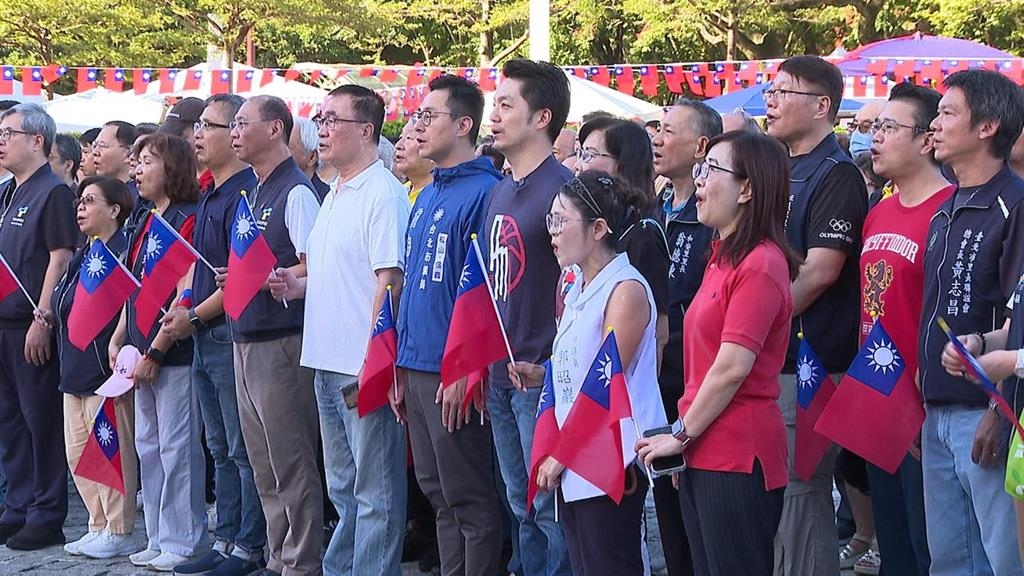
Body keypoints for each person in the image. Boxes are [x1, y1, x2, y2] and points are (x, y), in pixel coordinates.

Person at [638, 130, 799, 576]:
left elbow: (731, 368)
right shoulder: (722, 255)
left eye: (711, 170)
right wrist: (684, 439)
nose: (700, 182)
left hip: (737, 453)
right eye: (700, 170)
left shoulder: (761, 262)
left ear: (747, 188)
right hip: (703, 447)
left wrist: (681, 434)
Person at [270, 84, 411, 576]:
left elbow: (388, 283)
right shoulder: (333, 194)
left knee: (375, 493)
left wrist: (377, 362)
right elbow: (336, 275)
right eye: (321, 119)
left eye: (333, 120)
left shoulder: (383, 194)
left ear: (366, 130)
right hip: (325, 361)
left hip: (360, 366)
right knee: (344, 489)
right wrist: (295, 282)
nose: (321, 129)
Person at [514, 170, 667, 574]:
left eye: (561, 221)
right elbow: (580, 366)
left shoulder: (625, 289)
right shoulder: (579, 285)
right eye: (550, 221)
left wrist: (559, 456)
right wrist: (542, 373)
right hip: (577, 458)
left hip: (609, 458)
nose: (552, 232)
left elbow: (604, 383)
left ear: (598, 228)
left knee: (610, 564)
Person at [390, 73, 504, 576]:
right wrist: (398, 361)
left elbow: (480, 293)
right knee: (438, 494)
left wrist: (466, 369)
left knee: (470, 498)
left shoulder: (485, 193)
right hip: (415, 366)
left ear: (463, 125)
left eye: (427, 116)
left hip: (452, 370)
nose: (417, 126)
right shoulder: (430, 192)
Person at [763, 55, 867, 576]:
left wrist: (759, 322)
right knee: (780, 500)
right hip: (769, 356)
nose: (771, 101)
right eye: (771, 90)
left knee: (802, 498)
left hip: (808, 362)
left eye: (784, 92)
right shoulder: (780, 167)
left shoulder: (837, 174)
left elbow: (821, 271)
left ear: (822, 106)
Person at [918, 69, 1024, 575]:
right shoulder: (946, 209)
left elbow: (1018, 318)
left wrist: (999, 412)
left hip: (986, 413)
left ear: (987, 127)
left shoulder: (1016, 204)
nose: (933, 126)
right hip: (936, 410)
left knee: (1002, 560)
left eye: (947, 112)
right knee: (950, 560)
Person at [160, 94, 269, 576]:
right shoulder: (210, 192)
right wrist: (182, 309)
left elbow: (240, 279)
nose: (199, 134)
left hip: (226, 332)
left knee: (243, 447)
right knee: (219, 445)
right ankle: (224, 538)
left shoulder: (245, 193)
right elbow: (199, 272)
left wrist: (196, 318)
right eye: (198, 125)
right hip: (202, 331)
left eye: (212, 125)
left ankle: (249, 543)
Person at [847, 81, 952, 576]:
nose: (875, 138)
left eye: (888, 127)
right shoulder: (879, 211)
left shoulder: (949, 211)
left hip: (923, 404)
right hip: (876, 394)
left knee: (926, 543)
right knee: (891, 541)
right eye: (873, 127)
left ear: (927, 139)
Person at [224, 95, 323, 576]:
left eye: (243, 123)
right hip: (247, 338)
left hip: (282, 342)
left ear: (276, 129)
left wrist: (271, 275)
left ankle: (302, 562)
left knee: (291, 460)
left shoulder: (296, 192)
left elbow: (312, 264)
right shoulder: (257, 189)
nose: (234, 132)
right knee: (263, 462)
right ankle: (279, 555)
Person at [483, 58, 573, 576]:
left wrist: (552, 362)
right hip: (500, 371)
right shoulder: (501, 187)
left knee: (547, 507)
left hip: (540, 377)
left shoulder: (562, 190)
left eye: (506, 105)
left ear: (542, 117)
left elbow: (583, 287)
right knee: (520, 505)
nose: (494, 115)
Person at [108, 133, 206, 572]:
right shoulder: (147, 218)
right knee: (148, 446)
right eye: (137, 162)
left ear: (172, 167)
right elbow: (137, 285)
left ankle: (185, 539)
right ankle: (160, 534)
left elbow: (186, 290)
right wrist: (121, 337)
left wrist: (159, 350)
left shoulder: (187, 218)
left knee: (177, 448)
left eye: (147, 161)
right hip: (139, 346)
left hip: (174, 355)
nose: (138, 170)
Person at [0, 103, 76, 550]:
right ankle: (18, 505)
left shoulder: (52, 192)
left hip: (29, 322)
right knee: (9, 421)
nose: (1, 140)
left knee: (39, 420)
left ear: (36, 141)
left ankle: (47, 511)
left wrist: (42, 317)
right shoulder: (9, 191)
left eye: (9, 132)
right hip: (2, 322)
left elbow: (60, 256)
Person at [651, 97, 722, 576]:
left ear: (700, 147)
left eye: (669, 131)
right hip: (655, 379)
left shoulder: (714, 220)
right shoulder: (655, 208)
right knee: (668, 510)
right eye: (656, 129)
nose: (657, 138)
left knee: (703, 519)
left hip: (698, 382)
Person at [51, 176, 139, 559]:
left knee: (108, 451)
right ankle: (96, 522)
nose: (81, 209)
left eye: (89, 201)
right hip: (72, 369)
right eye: (79, 202)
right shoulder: (82, 254)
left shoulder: (121, 252)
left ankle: (118, 528)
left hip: (104, 370)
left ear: (115, 210)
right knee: (78, 453)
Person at [576, 116, 669, 364]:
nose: (579, 165)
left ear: (623, 164)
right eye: (580, 153)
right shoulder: (599, 228)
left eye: (590, 155)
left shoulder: (642, 235)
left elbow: (657, 335)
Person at [288, 116, 331, 202]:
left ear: (311, 157)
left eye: (286, 148)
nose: (280, 154)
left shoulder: (326, 200)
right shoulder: (272, 188)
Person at [394, 120, 434, 205]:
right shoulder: (397, 192)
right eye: (401, 137)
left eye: (409, 138)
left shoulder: (438, 197)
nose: (398, 145)